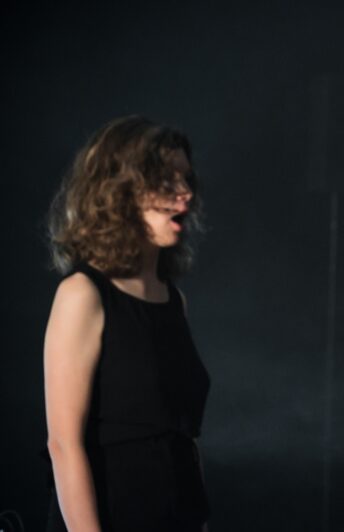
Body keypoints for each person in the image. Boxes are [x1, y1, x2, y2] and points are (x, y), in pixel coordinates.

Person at [44, 116, 210, 531]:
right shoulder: (82, 294)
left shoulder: (174, 300)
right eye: (165, 181)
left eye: (185, 179)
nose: (185, 194)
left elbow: (183, 440)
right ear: (120, 192)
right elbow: (64, 445)